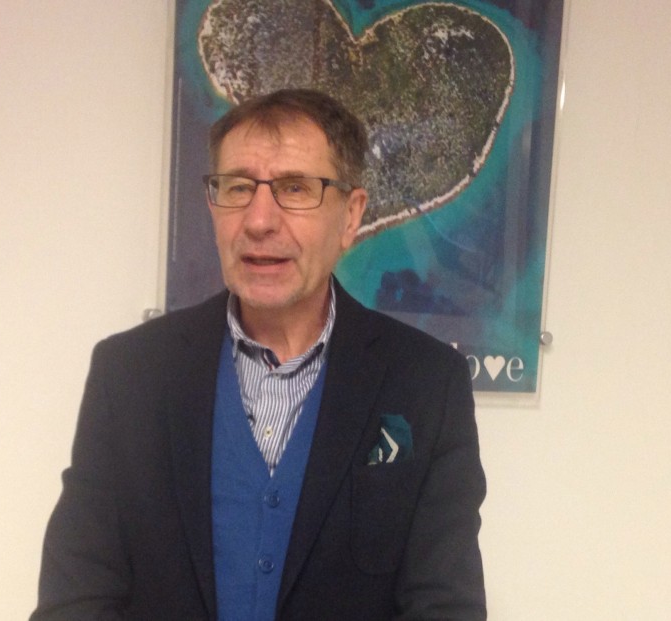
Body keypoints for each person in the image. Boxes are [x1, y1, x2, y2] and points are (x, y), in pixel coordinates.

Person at [32, 89, 486, 620]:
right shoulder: (130, 375)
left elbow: (445, 607)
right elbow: (75, 599)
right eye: (238, 188)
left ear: (350, 216)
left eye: (295, 188)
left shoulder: (427, 383)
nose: (259, 220)